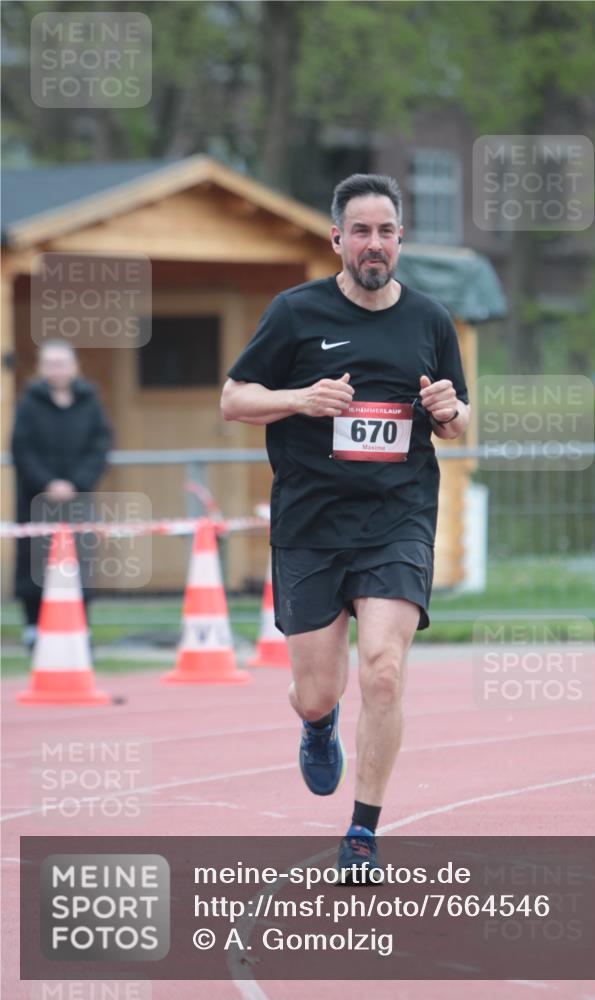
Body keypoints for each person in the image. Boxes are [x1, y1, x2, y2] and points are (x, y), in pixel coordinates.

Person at [221, 173, 470, 881]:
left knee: (384, 673)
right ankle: (316, 723)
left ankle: (362, 833)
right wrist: (302, 398)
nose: (373, 243)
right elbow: (233, 399)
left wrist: (450, 412)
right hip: (310, 523)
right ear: (336, 239)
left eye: (385, 231)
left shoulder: (428, 319)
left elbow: (457, 420)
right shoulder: (294, 313)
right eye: (359, 231)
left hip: (396, 517)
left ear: (400, 240)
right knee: (317, 689)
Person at [11, 341, 113, 650]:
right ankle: (33, 626)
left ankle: (81, 626)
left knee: (80, 560)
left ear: (75, 367)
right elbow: (21, 448)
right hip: (36, 498)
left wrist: (76, 483)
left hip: (78, 498)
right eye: (50, 363)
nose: (57, 369)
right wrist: (48, 483)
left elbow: (101, 445)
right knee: (34, 562)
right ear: (40, 369)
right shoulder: (29, 403)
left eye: (62, 363)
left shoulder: (90, 401)